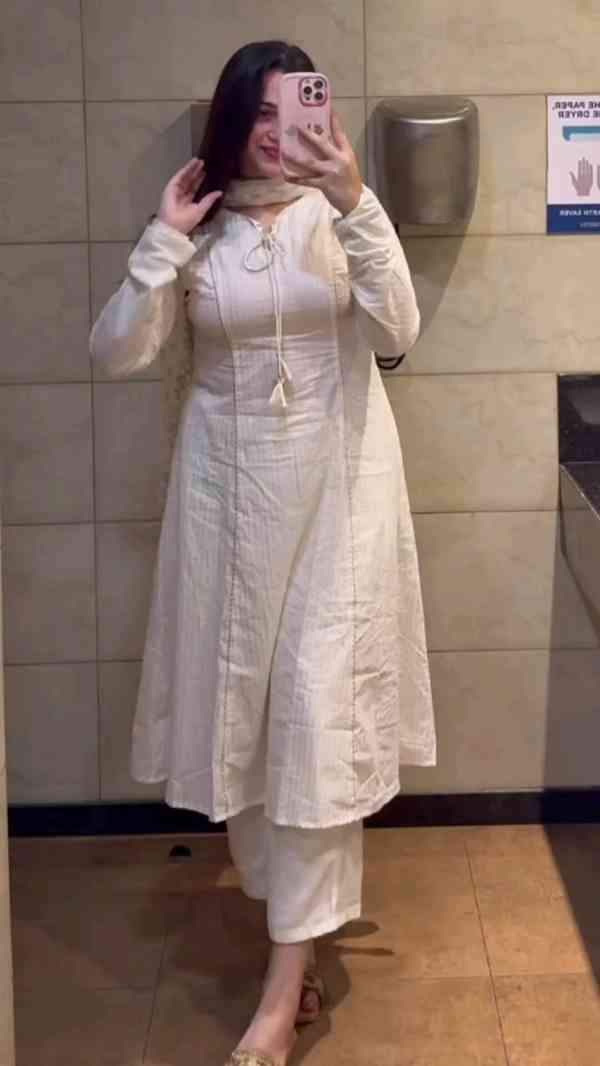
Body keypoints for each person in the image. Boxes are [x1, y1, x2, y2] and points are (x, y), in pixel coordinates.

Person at [89, 38, 436, 1066]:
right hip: (225, 513)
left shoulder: (343, 214)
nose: (283, 136)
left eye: (302, 111)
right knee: (245, 733)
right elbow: (116, 352)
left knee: (318, 725)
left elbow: (398, 330)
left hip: (340, 505)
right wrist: (162, 238)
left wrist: (357, 202)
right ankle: (298, 930)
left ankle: (281, 994)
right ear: (235, 121)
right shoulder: (199, 230)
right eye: (265, 115)